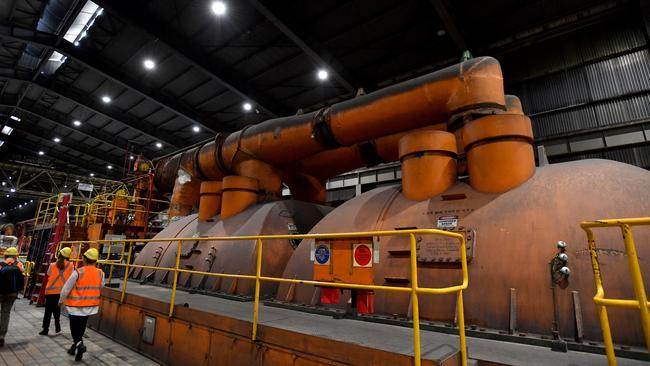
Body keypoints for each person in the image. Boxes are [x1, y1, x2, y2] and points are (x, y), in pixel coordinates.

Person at [59, 248, 104, 362]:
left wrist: (60, 301)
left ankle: (80, 345)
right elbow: (101, 286)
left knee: (74, 328)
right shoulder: (100, 273)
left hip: (76, 306)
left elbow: (66, 289)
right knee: (81, 327)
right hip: (90, 306)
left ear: (84, 259)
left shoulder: (78, 272)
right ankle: (74, 348)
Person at [39, 247, 73, 335]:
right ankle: (57, 326)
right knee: (57, 310)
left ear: (59, 254)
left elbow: (49, 274)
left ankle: (45, 329)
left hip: (50, 292)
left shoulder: (52, 265)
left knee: (48, 311)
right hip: (61, 292)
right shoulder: (71, 265)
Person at [0, 247, 24, 347]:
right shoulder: (19, 265)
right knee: (5, 314)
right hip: (12, 294)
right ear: (16, 256)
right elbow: (22, 276)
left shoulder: (1, 265)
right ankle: (1, 336)